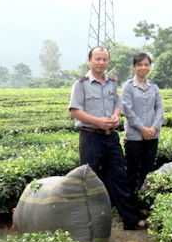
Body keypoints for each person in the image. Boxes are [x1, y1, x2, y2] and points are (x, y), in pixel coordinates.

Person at [69, 46, 146, 230]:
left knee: (120, 177)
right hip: (90, 138)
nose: (101, 63)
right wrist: (98, 121)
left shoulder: (111, 82)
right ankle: (89, 225)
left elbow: (117, 104)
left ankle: (131, 220)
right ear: (89, 61)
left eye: (105, 59)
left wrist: (115, 116)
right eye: (98, 59)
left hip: (110, 138)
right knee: (89, 181)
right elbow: (75, 111)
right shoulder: (81, 84)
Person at [121, 52, 164, 193]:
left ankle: (144, 202)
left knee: (148, 171)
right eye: (140, 64)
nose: (143, 68)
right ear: (134, 66)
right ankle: (130, 204)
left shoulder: (153, 87)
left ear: (150, 67)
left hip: (152, 136)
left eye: (146, 64)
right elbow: (128, 111)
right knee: (132, 171)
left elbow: (160, 109)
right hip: (134, 137)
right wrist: (143, 129)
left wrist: (153, 128)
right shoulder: (128, 87)